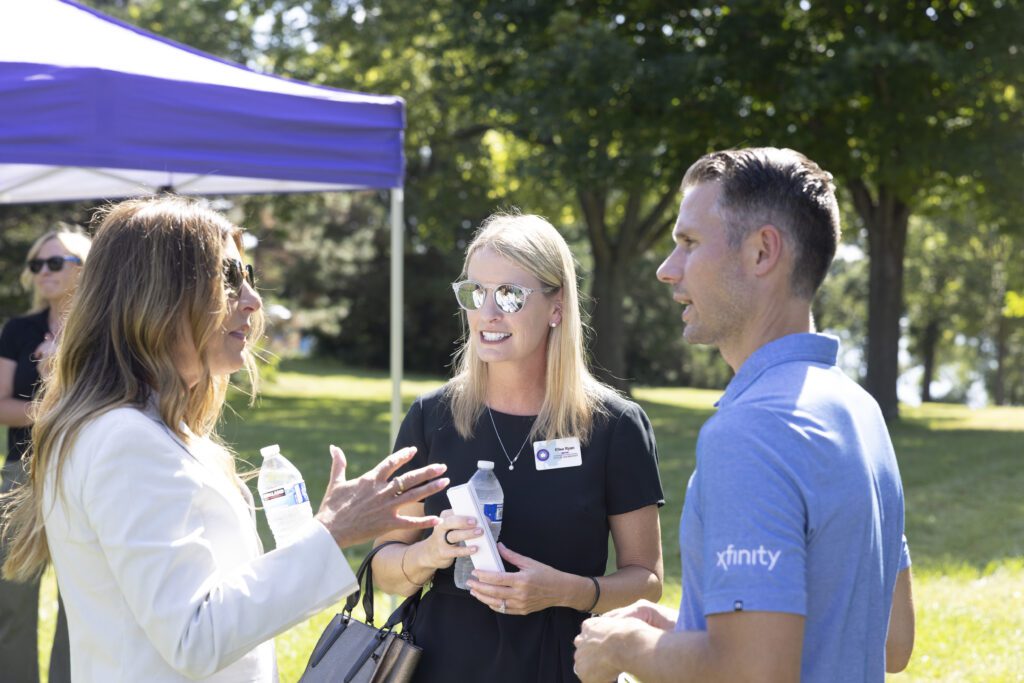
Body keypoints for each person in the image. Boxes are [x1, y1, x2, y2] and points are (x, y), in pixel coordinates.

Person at [0, 196, 450, 682]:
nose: (254, 302)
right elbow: (194, 636)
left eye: (249, 277)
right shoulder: (125, 440)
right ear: (159, 295)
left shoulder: (148, 429)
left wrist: (320, 533)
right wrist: (333, 533)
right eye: (230, 279)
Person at [573, 148, 915, 682]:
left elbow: (753, 670)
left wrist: (624, 644)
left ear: (762, 252)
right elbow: (889, 641)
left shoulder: (753, 430)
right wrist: (689, 627)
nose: (667, 270)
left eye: (688, 244)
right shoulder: (859, 411)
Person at [371, 213, 665, 682]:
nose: (488, 313)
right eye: (475, 292)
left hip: (559, 665)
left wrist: (564, 591)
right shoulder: (432, 417)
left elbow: (645, 582)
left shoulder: (615, 426)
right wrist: (431, 552)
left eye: (509, 295)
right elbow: (383, 568)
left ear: (556, 307)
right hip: (440, 664)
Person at [0, 226, 91, 683]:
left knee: (82, 599)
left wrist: (59, 377)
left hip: (87, 473)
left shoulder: (100, 330)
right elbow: (0, 406)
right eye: (37, 264)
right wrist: (53, 403)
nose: (44, 272)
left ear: (84, 268)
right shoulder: (19, 330)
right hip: (22, 475)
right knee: (11, 596)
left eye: (55, 263)